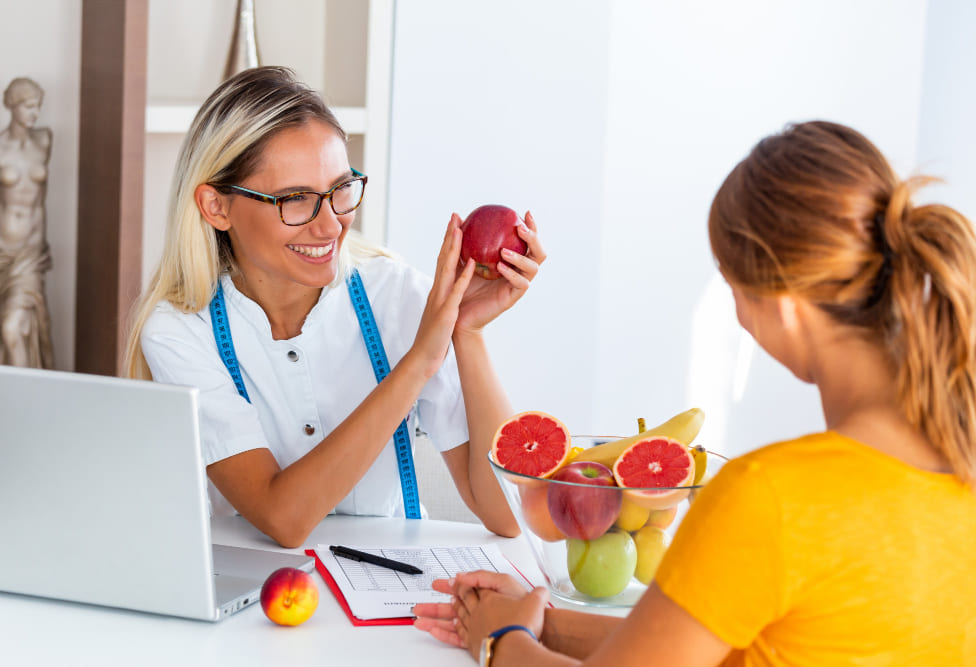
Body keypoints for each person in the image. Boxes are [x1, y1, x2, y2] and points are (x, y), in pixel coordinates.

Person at [413, 120, 976, 665]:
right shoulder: (960, 467)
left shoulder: (769, 497)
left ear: (782, 305)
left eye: (733, 285)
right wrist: (548, 623)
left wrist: (502, 641)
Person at [122, 66, 544, 547]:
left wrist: (466, 334)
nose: (331, 227)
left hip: (395, 591)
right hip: (256, 605)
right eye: (296, 199)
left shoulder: (396, 297)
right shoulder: (181, 331)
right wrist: (418, 364)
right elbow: (283, 519)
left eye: (341, 190)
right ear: (217, 207)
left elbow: (506, 513)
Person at [0, 76, 55, 368]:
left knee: (14, 328)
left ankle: (27, 400)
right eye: (29, 107)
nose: (35, 114)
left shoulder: (44, 140)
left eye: (38, 107)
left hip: (28, 253)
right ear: (13, 106)